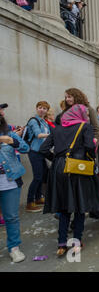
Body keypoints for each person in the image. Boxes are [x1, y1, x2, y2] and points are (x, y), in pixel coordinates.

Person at [39, 104, 99, 257]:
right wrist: (92, 149)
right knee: (80, 205)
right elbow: (89, 146)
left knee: (63, 208)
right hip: (78, 168)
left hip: (58, 169)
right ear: (81, 115)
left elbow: (43, 149)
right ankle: (76, 242)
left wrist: (56, 160)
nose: (88, 117)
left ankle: (61, 244)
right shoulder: (85, 127)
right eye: (86, 114)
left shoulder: (57, 129)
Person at [0, 111, 29, 263]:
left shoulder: (9, 133)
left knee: (11, 216)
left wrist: (12, 141)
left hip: (9, 182)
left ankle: (14, 248)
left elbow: (25, 148)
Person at [25, 101, 50, 213]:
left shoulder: (44, 122)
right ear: (36, 108)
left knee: (43, 175)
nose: (42, 110)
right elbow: (38, 135)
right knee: (37, 177)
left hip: (42, 152)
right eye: (40, 107)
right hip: (34, 152)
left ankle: (39, 198)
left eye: (44, 108)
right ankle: (30, 203)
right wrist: (53, 135)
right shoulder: (33, 121)